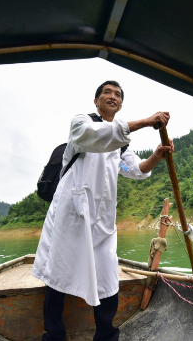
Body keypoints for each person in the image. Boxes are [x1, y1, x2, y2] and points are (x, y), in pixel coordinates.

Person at [32, 80, 174, 341]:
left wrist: (157, 155)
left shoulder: (121, 143)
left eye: (117, 94)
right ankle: (54, 335)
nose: (112, 96)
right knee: (58, 272)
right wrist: (145, 122)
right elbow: (94, 137)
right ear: (96, 101)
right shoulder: (81, 122)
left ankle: (107, 336)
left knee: (108, 274)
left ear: (120, 104)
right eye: (106, 93)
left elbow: (135, 170)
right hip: (72, 214)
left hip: (103, 219)